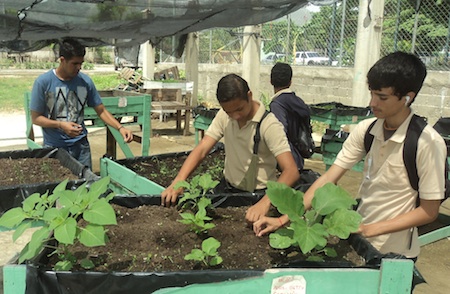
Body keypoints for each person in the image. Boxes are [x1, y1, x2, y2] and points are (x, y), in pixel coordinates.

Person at [254, 51, 447, 260]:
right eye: (371, 93)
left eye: (382, 97)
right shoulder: (367, 130)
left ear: (408, 98)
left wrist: (370, 229)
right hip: (360, 245)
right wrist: (284, 219)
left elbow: (429, 211)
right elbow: (328, 179)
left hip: (396, 254)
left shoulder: (426, 143)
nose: (372, 103)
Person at [161, 73, 300, 223]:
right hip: (228, 190)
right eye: (229, 112)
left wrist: (265, 203)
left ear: (249, 96)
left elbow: (291, 171)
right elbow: (202, 149)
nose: (235, 116)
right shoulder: (224, 116)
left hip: (259, 195)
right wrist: (179, 180)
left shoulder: (269, 124)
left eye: (239, 109)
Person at [30, 38, 133, 169]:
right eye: (75, 64)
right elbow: (36, 118)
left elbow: (101, 110)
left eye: (81, 64)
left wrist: (120, 128)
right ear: (62, 60)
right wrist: (61, 125)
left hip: (81, 148)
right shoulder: (43, 83)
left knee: (85, 186)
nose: (79, 68)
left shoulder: (85, 82)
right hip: (54, 148)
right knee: (58, 187)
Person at [269, 62, 311, 171]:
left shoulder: (277, 105)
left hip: (286, 161)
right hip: (298, 158)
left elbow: (279, 134)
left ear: (271, 81)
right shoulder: (298, 102)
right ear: (290, 81)